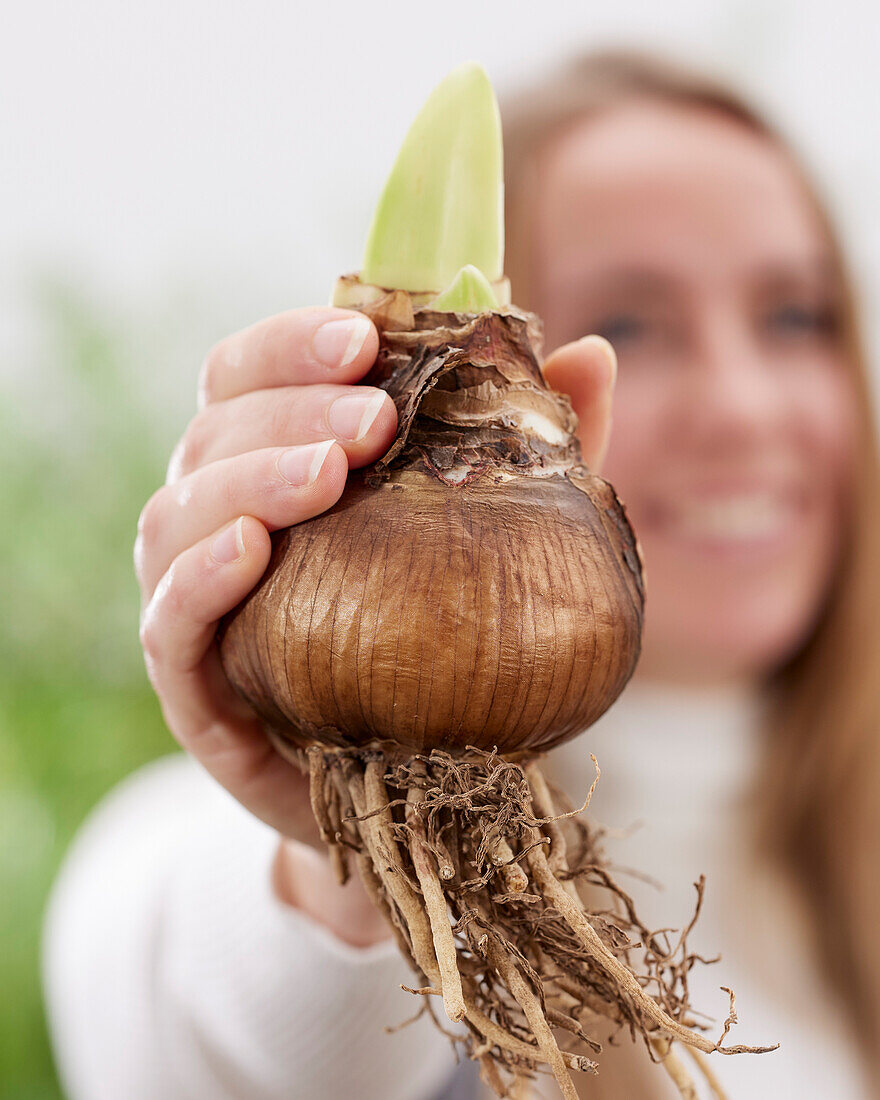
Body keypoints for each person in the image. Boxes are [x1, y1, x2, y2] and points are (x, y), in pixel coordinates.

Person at [43, 50, 880, 1100]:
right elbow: (188, 1017)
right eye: (630, 321)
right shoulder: (190, 863)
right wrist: (339, 850)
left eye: (793, 316)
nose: (744, 408)